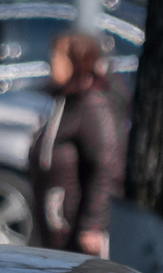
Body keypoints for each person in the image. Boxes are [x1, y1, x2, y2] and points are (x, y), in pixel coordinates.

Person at [27, 31, 121, 256]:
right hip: (55, 227)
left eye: (59, 57)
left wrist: (93, 225)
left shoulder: (92, 105)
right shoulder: (63, 102)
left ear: (78, 63)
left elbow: (105, 166)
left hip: (76, 230)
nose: (52, 63)